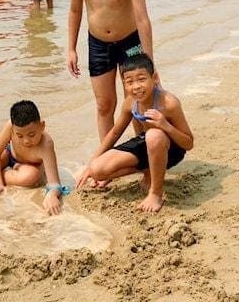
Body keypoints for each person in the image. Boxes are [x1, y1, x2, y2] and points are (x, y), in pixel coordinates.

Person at [75, 54, 193, 213]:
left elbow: (188, 143)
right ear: (124, 84)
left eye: (141, 79)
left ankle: (156, 192)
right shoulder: (131, 102)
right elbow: (115, 132)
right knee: (97, 170)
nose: (136, 86)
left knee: (154, 135)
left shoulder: (169, 103)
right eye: (130, 82)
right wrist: (90, 165)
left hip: (171, 150)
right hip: (148, 144)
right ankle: (149, 169)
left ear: (155, 78)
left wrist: (165, 125)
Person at [68, 0, 154, 140]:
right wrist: (71, 48)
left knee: (135, 98)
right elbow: (74, 11)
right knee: (104, 104)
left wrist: (149, 60)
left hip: (130, 42)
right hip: (98, 44)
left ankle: (142, 149)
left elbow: (142, 19)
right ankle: (108, 154)